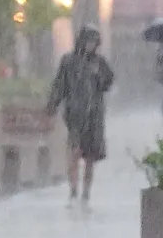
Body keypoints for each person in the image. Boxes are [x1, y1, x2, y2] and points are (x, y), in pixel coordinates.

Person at [47, 24, 114, 207]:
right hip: (75, 114)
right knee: (74, 151)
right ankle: (73, 188)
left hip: (94, 115)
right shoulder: (68, 61)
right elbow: (59, 85)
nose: (90, 45)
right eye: (88, 41)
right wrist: (52, 105)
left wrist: (98, 75)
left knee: (91, 156)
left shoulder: (100, 63)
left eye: (94, 42)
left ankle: (86, 190)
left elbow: (108, 84)